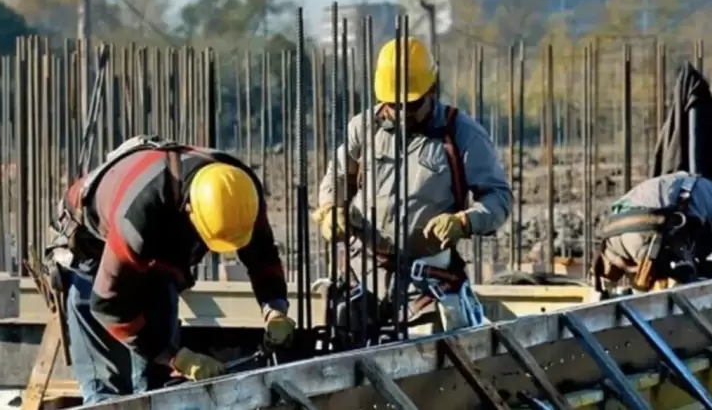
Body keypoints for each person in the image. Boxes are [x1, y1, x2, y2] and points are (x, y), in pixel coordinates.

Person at [46, 136, 296, 404]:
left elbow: (262, 256)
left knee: (157, 386)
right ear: (190, 211)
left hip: (156, 254)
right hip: (93, 253)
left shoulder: (240, 192)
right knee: (109, 394)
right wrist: (177, 358)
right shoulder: (139, 214)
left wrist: (275, 310)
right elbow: (108, 304)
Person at [313, 38, 512, 334]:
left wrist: (465, 221)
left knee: (426, 357)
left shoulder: (462, 133)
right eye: (393, 105)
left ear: (432, 90)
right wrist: (330, 209)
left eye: (412, 104)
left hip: (426, 278)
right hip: (363, 271)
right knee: (344, 345)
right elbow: (338, 177)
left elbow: (499, 198)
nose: (400, 112)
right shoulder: (363, 127)